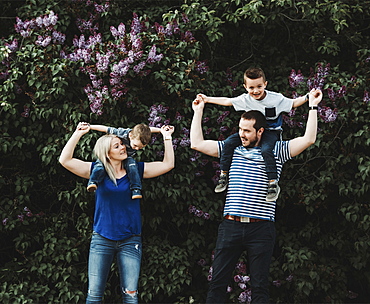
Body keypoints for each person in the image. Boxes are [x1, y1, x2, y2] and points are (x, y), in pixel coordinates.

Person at [190, 89, 322, 303]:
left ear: (260, 131)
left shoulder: (276, 151)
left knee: (260, 286)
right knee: (217, 283)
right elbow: (197, 143)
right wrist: (199, 110)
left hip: (260, 228)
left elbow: (308, 139)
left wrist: (313, 107)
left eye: (247, 131)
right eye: (240, 129)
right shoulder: (231, 149)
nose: (241, 134)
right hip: (230, 225)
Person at [59, 122, 175, 304]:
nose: (123, 146)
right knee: (94, 296)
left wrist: (167, 137)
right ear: (107, 152)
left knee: (130, 296)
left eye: (122, 144)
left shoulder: (135, 169)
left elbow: (168, 164)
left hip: (130, 240)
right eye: (117, 145)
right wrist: (78, 133)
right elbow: (64, 160)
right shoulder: (96, 172)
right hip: (102, 239)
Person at [197, 67, 310, 201]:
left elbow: (293, 103)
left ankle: (273, 183)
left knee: (266, 150)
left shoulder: (275, 99)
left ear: (265, 85)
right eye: (251, 88)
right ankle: (223, 174)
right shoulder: (245, 100)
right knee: (228, 143)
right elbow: (228, 101)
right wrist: (207, 99)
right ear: (245, 87)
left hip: (271, 132)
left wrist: (308, 97)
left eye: (259, 86)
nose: (255, 91)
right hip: (251, 132)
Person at [86, 123, 161, 200]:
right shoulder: (122, 133)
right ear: (130, 136)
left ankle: (136, 189)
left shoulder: (139, 134)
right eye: (135, 145)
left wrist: (161, 130)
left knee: (133, 167)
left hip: (126, 157)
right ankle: (93, 182)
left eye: (140, 147)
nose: (137, 149)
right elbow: (106, 128)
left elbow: (148, 130)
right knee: (99, 166)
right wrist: (89, 127)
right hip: (111, 156)